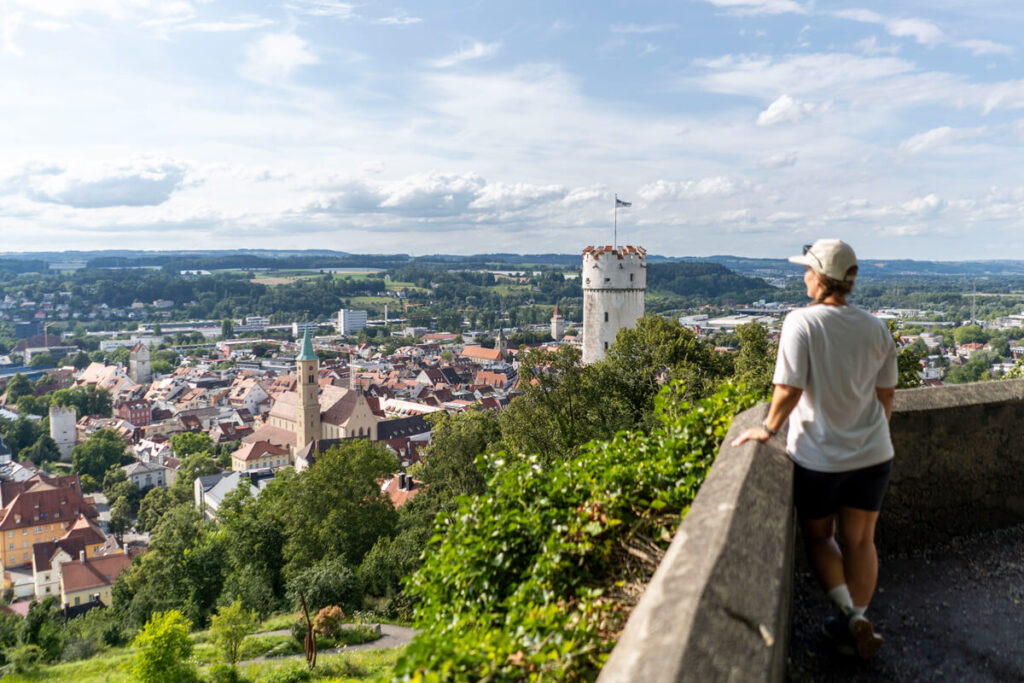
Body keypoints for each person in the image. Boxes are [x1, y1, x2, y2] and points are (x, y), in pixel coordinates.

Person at [731, 239, 897, 659]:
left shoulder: (801, 323)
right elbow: (886, 397)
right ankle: (854, 621)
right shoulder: (875, 327)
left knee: (820, 537)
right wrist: (869, 436)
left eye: (807, 269)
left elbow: (788, 388)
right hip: (874, 452)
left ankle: (851, 618)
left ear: (820, 278)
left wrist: (767, 430)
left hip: (820, 456)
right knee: (861, 542)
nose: (803, 275)